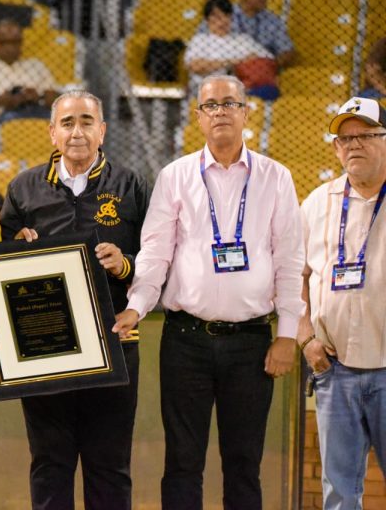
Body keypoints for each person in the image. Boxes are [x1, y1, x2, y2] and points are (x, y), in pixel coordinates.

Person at [114, 74, 306, 510]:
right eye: (211, 105)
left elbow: (290, 260)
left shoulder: (276, 178)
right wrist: (137, 306)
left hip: (252, 342)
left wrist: (287, 334)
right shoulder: (175, 176)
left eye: (229, 103)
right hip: (185, 341)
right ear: (198, 117)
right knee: (182, 462)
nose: (220, 111)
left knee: (244, 463)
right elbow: (155, 252)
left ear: (246, 112)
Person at [0, 89, 150, 509]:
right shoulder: (24, 188)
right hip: (46, 352)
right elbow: (0, 264)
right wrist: (16, 246)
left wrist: (125, 265)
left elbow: (158, 260)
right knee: (50, 465)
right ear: (52, 132)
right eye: (67, 123)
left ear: (103, 130)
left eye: (86, 121)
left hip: (115, 345)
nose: (77, 131)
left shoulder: (132, 185)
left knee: (110, 467)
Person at [297, 97, 386, 509]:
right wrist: (305, 339)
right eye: (345, 139)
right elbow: (294, 279)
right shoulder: (317, 203)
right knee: (339, 493)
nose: (354, 145)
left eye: (365, 135)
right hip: (334, 371)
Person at [0, 18, 59, 123]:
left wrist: (39, 96)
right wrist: (2, 100)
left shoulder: (36, 64)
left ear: (21, 42)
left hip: (37, 111)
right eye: (5, 42)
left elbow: (54, 96)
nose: (10, 48)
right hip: (3, 115)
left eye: (14, 42)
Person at [185, 0, 274, 96]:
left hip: (242, 89)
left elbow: (267, 59)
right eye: (217, 17)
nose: (223, 21)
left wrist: (252, 61)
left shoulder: (243, 39)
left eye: (226, 16)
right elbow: (194, 66)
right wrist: (234, 62)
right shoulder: (200, 40)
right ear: (207, 19)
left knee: (269, 90)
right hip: (207, 91)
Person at [196, 0, 296, 69]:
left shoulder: (272, 20)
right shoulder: (221, 13)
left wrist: (267, 65)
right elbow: (199, 45)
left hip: (260, 75)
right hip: (225, 69)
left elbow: (288, 52)